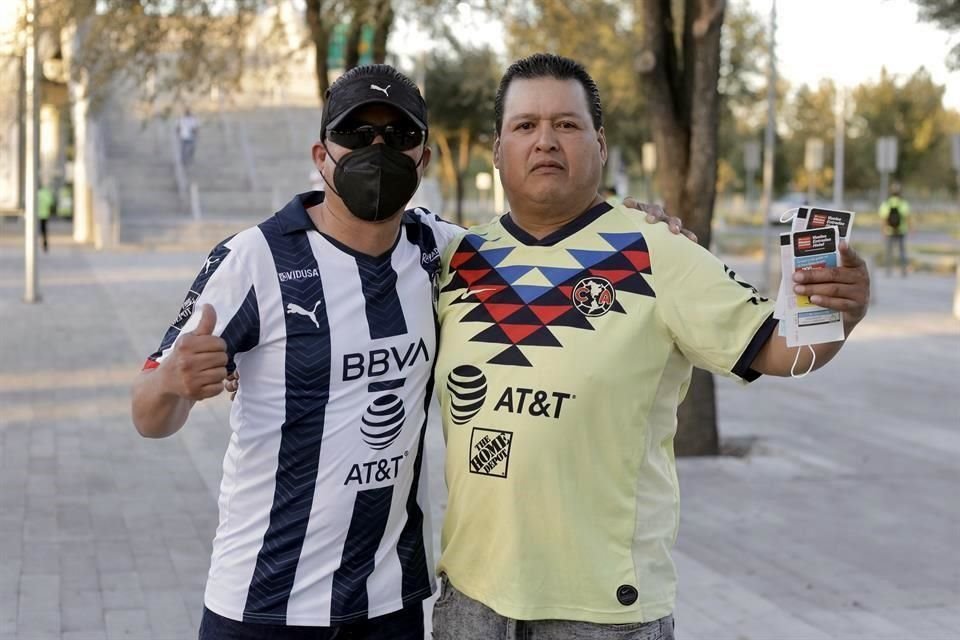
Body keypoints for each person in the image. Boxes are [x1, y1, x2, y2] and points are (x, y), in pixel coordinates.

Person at [135, 63, 687, 639]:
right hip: (261, 604)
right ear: (322, 154)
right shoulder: (252, 261)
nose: (378, 150)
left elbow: (556, 247)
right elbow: (148, 415)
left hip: (389, 606)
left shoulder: (448, 255)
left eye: (399, 137)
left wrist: (642, 227)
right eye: (356, 134)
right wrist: (174, 383)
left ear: (422, 160)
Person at [431, 53, 870, 640]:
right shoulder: (453, 261)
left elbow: (778, 350)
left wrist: (838, 313)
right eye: (525, 125)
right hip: (469, 602)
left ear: (600, 143)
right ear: (497, 149)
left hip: (604, 611)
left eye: (566, 124)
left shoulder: (655, 251)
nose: (545, 142)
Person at [879, 181, 911, 277]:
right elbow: (907, 217)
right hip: (901, 230)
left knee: (889, 252)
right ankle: (903, 270)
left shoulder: (886, 203)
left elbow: (883, 218)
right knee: (902, 252)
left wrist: (883, 230)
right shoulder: (903, 203)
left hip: (889, 231)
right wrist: (911, 228)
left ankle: (888, 271)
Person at [36, 182, 55, 252]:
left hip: (37, 214)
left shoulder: (37, 193)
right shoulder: (47, 193)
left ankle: (40, 241)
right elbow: (51, 202)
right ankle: (44, 243)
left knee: (39, 229)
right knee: (44, 229)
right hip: (45, 214)